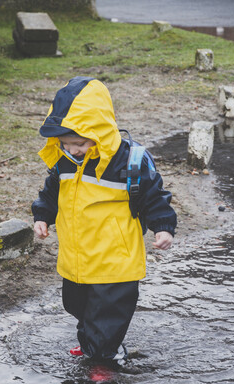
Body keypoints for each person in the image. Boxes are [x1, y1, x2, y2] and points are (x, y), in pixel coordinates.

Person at [32, 76, 177, 366]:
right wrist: (43, 216)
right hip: (78, 256)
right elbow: (52, 192)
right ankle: (91, 344)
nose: (72, 150)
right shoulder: (64, 162)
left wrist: (163, 227)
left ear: (98, 131)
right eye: (65, 144)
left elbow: (154, 195)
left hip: (115, 259)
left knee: (108, 313)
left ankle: (102, 359)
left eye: (79, 143)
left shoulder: (128, 162)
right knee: (75, 304)